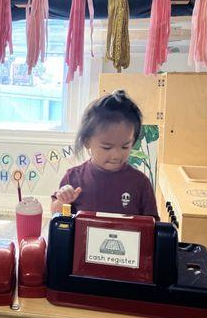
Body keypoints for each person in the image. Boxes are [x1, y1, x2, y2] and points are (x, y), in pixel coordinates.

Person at [51, 90, 159, 220]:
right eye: (107, 147)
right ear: (87, 142)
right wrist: (63, 201)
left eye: (125, 146)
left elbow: (151, 226)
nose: (116, 155)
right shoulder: (73, 178)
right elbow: (56, 214)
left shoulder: (141, 183)